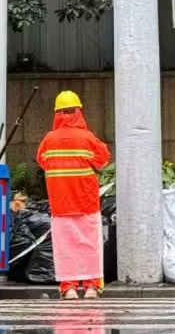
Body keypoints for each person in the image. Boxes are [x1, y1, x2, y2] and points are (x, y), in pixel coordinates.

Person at [36, 90, 112, 300]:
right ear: (78, 112)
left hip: (60, 206)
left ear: (57, 114)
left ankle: (68, 288)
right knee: (89, 246)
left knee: (65, 248)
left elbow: (42, 162)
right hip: (86, 203)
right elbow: (103, 159)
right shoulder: (87, 139)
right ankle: (91, 287)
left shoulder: (48, 141)